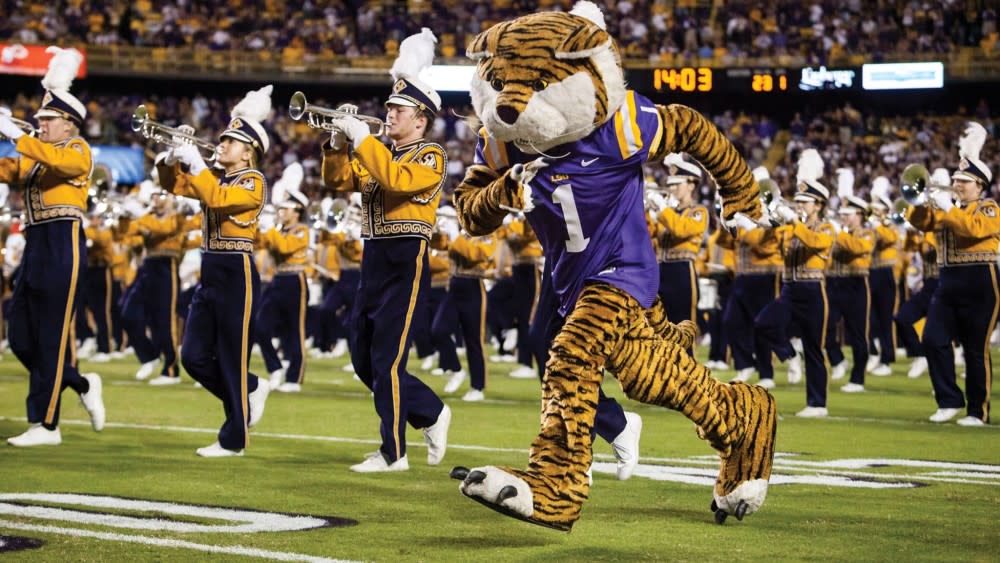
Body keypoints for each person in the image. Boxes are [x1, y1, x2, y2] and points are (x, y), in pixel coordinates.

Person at [321, 29, 451, 473]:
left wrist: (361, 140)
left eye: (400, 109)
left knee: (387, 359)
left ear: (420, 119)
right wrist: (339, 143)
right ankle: (431, 412)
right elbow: (337, 182)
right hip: (373, 256)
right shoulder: (377, 153)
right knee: (362, 357)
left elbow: (397, 180)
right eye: (390, 106)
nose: (389, 113)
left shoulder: (430, 154)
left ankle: (393, 453)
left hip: (405, 257)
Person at [156, 85, 274, 456]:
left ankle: (234, 438)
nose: (221, 145)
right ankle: (251, 387)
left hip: (236, 271)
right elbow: (173, 185)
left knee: (229, 356)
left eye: (231, 141)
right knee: (192, 356)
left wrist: (195, 162)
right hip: (210, 269)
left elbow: (218, 200)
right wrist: (171, 159)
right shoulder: (217, 178)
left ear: (249, 151)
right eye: (222, 139)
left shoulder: (252, 181)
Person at [0, 46, 105, 446]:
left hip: (64, 241)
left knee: (51, 335)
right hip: (35, 242)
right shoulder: (36, 155)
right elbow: (8, 169)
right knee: (21, 335)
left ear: (69, 124)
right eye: (39, 119)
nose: (40, 124)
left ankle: (45, 425)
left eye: (47, 119)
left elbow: (62, 164)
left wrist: (16, 135)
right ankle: (79, 383)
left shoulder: (77, 149)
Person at [907, 122, 999, 426]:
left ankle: (977, 411)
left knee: (975, 349)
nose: (958, 184)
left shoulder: (989, 209)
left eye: (965, 181)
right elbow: (919, 222)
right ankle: (948, 400)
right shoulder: (947, 209)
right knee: (932, 338)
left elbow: (972, 230)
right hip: (948, 281)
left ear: (980, 185)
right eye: (957, 179)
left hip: (981, 280)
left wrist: (948, 206)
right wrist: (920, 201)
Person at [754, 149, 834, 417]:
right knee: (763, 323)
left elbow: (815, 243)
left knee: (814, 347)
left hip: (812, 291)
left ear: (819, 204)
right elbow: (768, 244)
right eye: (798, 200)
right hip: (790, 290)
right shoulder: (790, 226)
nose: (800, 205)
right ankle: (789, 354)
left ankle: (817, 404)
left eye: (806, 201)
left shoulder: (826, 228)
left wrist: (793, 222)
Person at [118, 191, 189, 385]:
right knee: (128, 313)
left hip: (168, 268)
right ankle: (149, 356)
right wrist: (138, 236)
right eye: (154, 196)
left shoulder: (177, 217)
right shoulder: (146, 218)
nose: (156, 199)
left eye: (161, 196)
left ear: (171, 199)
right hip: (147, 267)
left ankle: (171, 370)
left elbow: (168, 229)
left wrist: (144, 228)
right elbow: (129, 236)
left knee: (164, 322)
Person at [256, 185, 311, 393]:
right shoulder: (277, 230)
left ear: (297, 210)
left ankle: (294, 378)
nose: (281, 212)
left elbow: (284, 247)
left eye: (285, 209)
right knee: (260, 327)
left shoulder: (302, 231)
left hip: (295, 280)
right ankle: (275, 367)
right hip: (277, 280)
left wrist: (270, 228)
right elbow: (259, 244)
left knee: (295, 330)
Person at [824, 192, 875, 392]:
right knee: (824, 327)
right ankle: (838, 360)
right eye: (842, 213)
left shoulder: (868, 234)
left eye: (849, 213)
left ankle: (858, 379)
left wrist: (837, 233)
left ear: (860, 215)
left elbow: (858, 248)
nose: (844, 217)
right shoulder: (837, 234)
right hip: (834, 284)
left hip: (856, 286)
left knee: (858, 335)